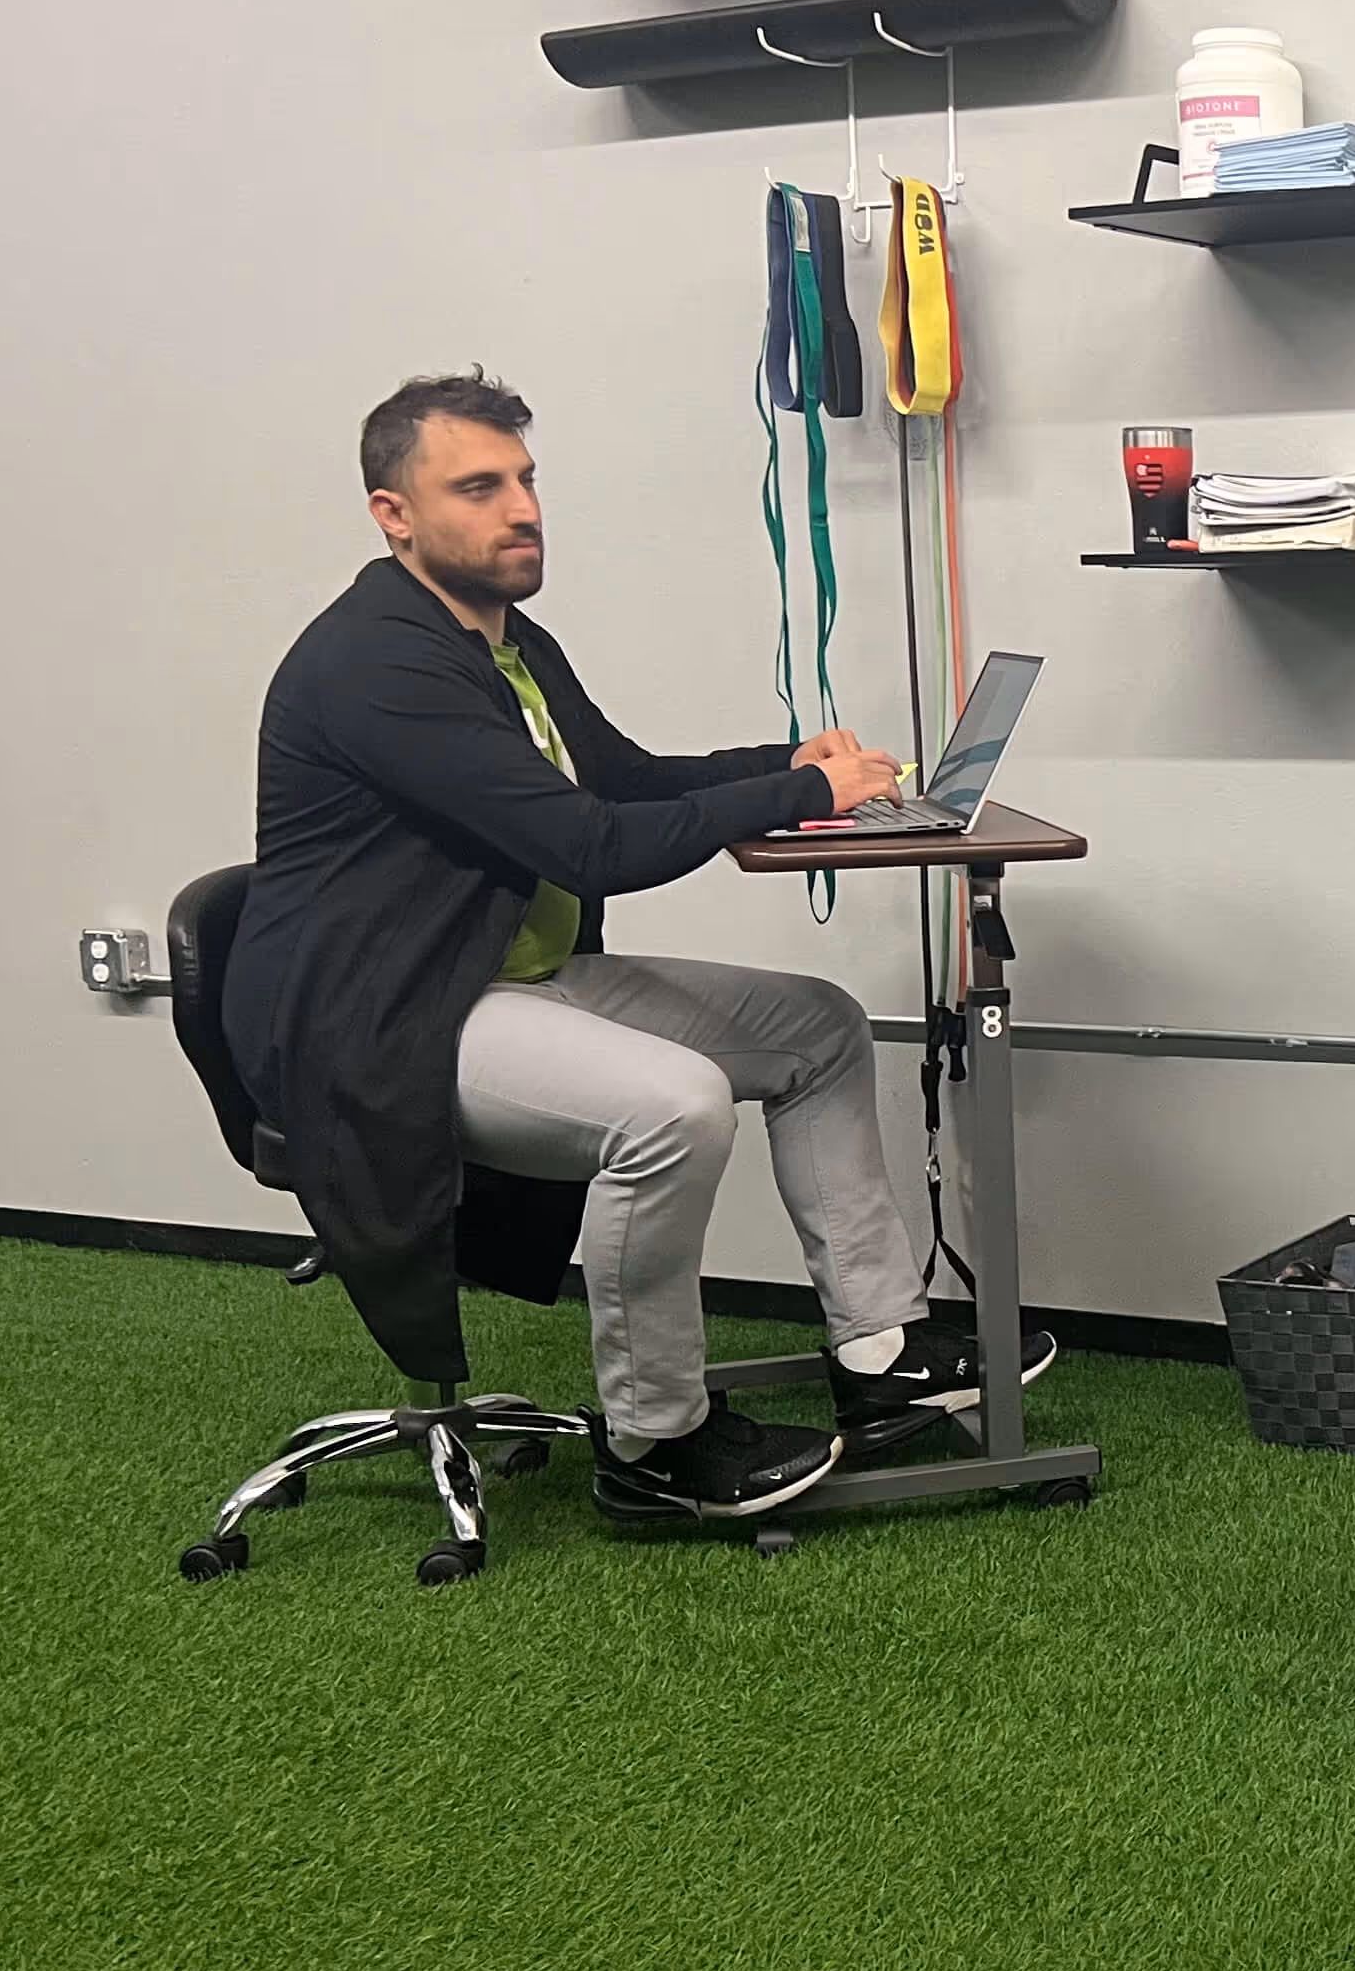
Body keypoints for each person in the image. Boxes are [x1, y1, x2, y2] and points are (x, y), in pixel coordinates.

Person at [228, 370, 1049, 1520]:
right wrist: (801, 793)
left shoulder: (503, 641)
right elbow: (590, 843)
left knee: (816, 1028)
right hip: (384, 1017)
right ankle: (654, 1441)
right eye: (478, 487)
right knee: (673, 1106)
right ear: (393, 515)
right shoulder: (380, 664)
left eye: (526, 479)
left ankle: (879, 1354)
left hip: (498, 978)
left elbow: (619, 778)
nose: (522, 508)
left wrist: (788, 767)